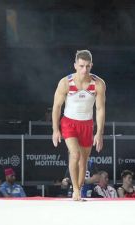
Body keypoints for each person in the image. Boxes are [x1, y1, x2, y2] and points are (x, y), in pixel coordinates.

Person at [52, 50, 106, 201]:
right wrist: (55, 130)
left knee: (84, 161)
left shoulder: (98, 84)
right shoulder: (65, 83)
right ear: (75, 65)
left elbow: (100, 109)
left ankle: (79, 188)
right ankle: (75, 189)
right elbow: (57, 107)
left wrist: (99, 133)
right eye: (81, 66)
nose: (84, 70)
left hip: (87, 124)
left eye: (88, 66)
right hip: (69, 122)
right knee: (75, 154)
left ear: (91, 65)